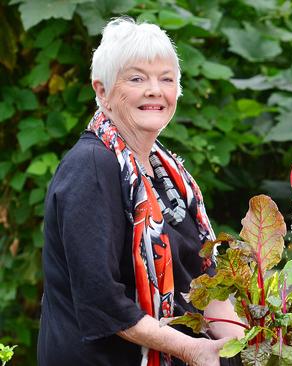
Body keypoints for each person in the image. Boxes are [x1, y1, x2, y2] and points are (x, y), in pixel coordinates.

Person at [38, 17, 244, 366]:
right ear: (101, 91)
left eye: (167, 79)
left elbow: (203, 279)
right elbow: (100, 298)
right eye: (136, 78)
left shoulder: (167, 172)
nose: (155, 90)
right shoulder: (91, 167)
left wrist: (251, 345)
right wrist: (192, 348)